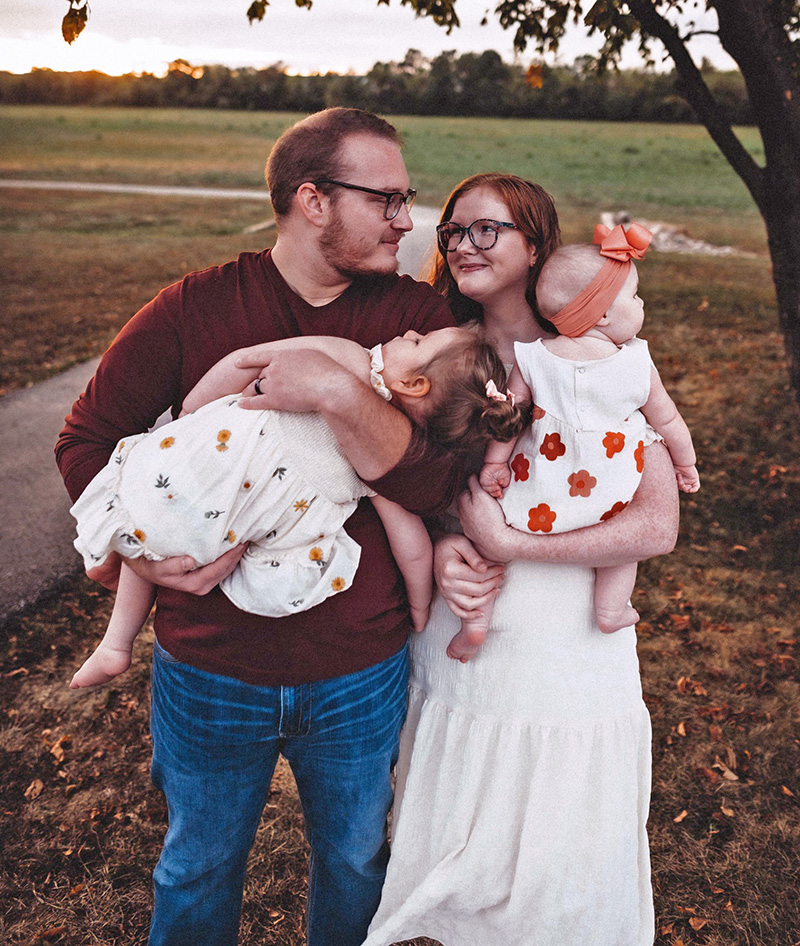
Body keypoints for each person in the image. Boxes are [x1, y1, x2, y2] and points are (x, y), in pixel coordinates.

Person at [56, 107, 471, 946]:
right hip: (211, 665)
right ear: (312, 200)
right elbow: (87, 444)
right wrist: (144, 553)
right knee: (198, 865)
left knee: (355, 861)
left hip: (359, 666)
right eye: (385, 199)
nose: (407, 219)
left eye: (407, 199)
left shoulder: (421, 323)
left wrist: (338, 392)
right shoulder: (191, 308)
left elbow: (440, 480)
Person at [361, 173, 680, 946]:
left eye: (487, 230)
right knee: (463, 808)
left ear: (534, 241)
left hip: (567, 629)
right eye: (453, 232)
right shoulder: (433, 350)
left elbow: (656, 523)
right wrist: (443, 547)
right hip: (463, 626)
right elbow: (388, 478)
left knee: (561, 814)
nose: (463, 244)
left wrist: (514, 545)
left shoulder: (595, 352)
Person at [69, 328, 525, 689]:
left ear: (413, 382)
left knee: (161, 515)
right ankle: (114, 635)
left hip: (226, 473)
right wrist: (420, 608)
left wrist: (193, 412)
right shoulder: (380, 448)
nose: (408, 332)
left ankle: (115, 640)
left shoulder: (355, 372)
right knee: (174, 523)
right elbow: (413, 548)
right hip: (244, 485)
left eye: (419, 341)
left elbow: (246, 359)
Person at [447, 222, 700, 662]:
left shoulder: (534, 356)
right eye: (634, 297)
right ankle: (610, 608)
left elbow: (511, 416)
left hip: (538, 492)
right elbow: (670, 420)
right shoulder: (637, 363)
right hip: (609, 498)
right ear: (602, 315)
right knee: (621, 556)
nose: (641, 305)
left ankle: (476, 623)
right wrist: (686, 464)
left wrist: (495, 464)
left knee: (489, 545)